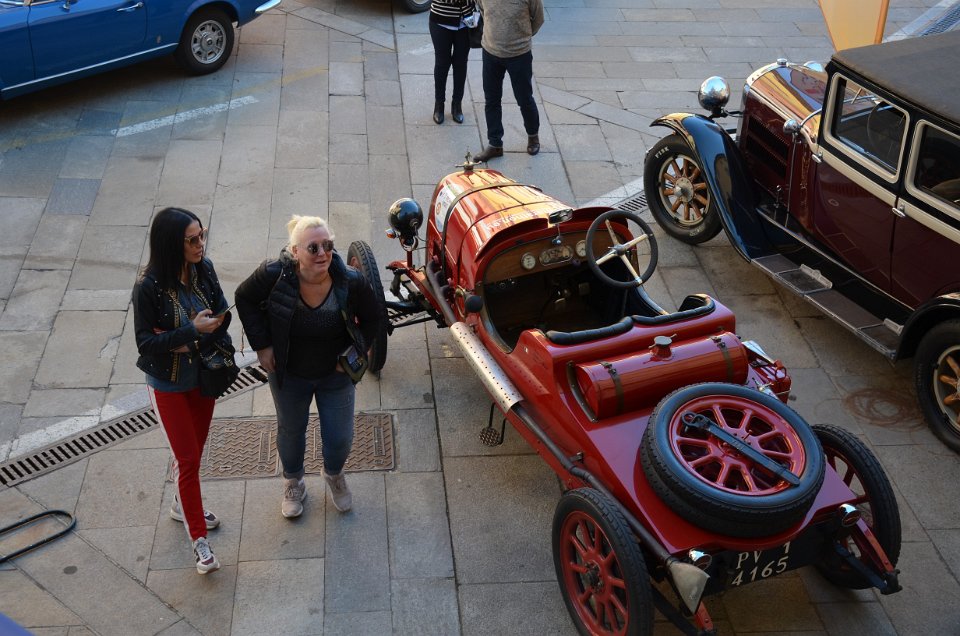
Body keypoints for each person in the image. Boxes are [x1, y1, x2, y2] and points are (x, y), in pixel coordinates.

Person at [235, 216, 381, 518]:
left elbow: (374, 317)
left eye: (328, 245)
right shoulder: (274, 274)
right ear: (295, 251)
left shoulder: (350, 280)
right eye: (313, 248)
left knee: (340, 437)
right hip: (289, 373)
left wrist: (357, 352)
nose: (322, 253)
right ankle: (294, 481)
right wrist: (262, 345)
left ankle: (334, 474)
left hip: (336, 374)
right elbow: (244, 297)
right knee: (291, 431)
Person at [133, 207, 231, 575]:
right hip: (168, 386)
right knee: (187, 461)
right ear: (172, 244)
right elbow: (145, 344)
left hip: (203, 378)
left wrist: (211, 326)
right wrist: (191, 331)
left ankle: (181, 504)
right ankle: (199, 541)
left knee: (193, 454)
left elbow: (222, 311)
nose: (200, 244)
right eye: (192, 240)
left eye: (201, 235)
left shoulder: (204, 268)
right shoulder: (147, 288)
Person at [473, 0, 545, 162]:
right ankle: (495, 144)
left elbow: (538, 18)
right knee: (491, 100)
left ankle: (533, 136)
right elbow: (483, 9)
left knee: (524, 99)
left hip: (519, 54)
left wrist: (523, 36)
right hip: (491, 51)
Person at [429, 0, 478, 125]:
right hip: (440, 19)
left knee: (461, 64)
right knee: (442, 63)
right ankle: (439, 104)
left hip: (466, 21)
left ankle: (457, 104)